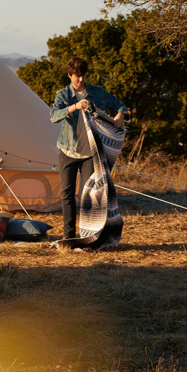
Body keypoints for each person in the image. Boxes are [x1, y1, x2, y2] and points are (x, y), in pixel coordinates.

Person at [50, 56, 127, 239]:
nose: (81, 79)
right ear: (69, 75)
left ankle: (89, 236)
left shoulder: (98, 93)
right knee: (67, 194)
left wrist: (120, 115)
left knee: (89, 196)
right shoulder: (62, 95)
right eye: (77, 75)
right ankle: (68, 236)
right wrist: (75, 106)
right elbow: (53, 116)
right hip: (68, 150)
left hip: (90, 153)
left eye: (83, 75)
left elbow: (120, 106)